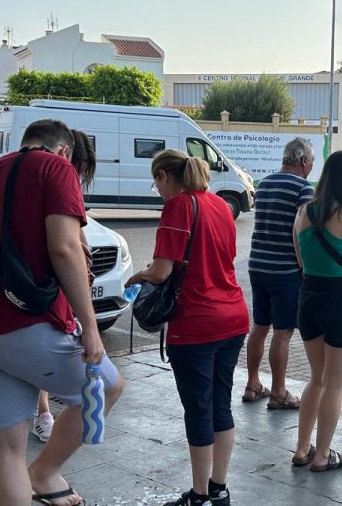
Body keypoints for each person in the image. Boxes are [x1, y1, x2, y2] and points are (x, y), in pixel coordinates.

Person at [0, 119, 122, 506]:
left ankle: (39, 478)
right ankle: (44, 474)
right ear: (65, 151)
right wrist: (90, 328)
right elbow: (63, 249)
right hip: (32, 327)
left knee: (7, 445)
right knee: (108, 386)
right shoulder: (55, 167)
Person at [128, 150, 249, 506]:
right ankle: (218, 489)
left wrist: (140, 274)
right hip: (234, 316)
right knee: (220, 406)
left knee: (198, 409)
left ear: (165, 176)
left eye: (156, 182)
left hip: (196, 322)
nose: (158, 190)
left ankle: (198, 496)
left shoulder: (177, 206)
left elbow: (162, 271)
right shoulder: (220, 206)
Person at [290, 151, 342, 473]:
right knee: (334, 383)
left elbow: (300, 261)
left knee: (316, 378)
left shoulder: (302, 212)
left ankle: (301, 449)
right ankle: (323, 454)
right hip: (339, 299)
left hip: (308, 296)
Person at [34, 129, 98, 444]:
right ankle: (43, 412)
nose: (79, 177)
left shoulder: (60, 179)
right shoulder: (53, 175)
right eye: (80, 169)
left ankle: (47, 408)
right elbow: (64, 246)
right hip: (44, 284)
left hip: (58, 284)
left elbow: (77, 232)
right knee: (110, 385)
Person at [243, 138, 315, 410]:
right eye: (310, 163)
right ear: (303, 162)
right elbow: (304, 232)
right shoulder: (303, 188)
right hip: (285, 269)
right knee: (283, 332)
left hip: (257, 265)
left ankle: (252, 384)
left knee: (260, 327)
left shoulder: (264, 184)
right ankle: (279, 392)